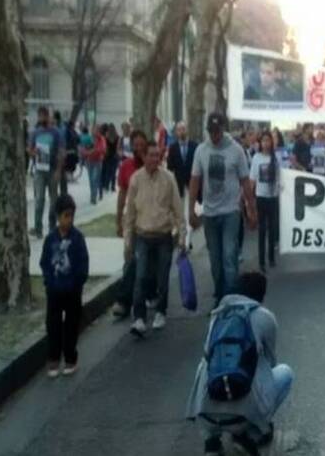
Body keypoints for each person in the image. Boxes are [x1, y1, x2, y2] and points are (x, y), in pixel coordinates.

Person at [186, 272, 294, 455]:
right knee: (285, 372)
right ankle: (251, 433)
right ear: (262, 295)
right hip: (242, 416)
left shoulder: (217, 315)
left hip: (206, 415)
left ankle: (211, 442)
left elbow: (208, 354)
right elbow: (270, 361)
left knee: (204, 364)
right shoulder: (265, 316)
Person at [189, 113, 257, 307]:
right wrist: (191, 210)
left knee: (229, 256)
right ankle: (220, 293)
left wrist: (251, 211)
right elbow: (195, 180)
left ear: (223, 130)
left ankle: (230, 299)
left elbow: (245, 182)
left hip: (230, 212)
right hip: (210, 214)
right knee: (216, 261)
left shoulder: (236, 150)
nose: (214, 135)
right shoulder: (201, 150)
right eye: (211, 131)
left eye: (217, 131)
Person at [123, 141, 186, 337]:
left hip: (163, 236)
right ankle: (139, 318)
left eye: (158, 155)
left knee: (162, 277)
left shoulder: (168, 179)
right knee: (140, 277)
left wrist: (182, 236)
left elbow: (177, 209)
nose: (155, 159)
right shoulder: (136, 180)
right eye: (151, 155)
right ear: (143, 156)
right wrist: (128, 241)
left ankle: (160, 311)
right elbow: (130, 213)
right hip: (142, 235)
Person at [40, 194, 89, 378]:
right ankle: (53, 358)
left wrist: (78, 282)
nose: (68, 220)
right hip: (54, 290)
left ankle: (70, 358)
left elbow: (83, 263)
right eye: (65, 216)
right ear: (58, 216)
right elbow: (45, 262)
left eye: (71, 216)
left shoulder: (77, 238)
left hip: (72, 290)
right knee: (53, 325)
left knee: (71, 325)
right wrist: (48, 282)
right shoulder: (50, 239)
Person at [112, 130, 153, 319]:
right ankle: (124, 301)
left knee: (144, 261)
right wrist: (119, 219)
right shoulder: (126, 166)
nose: (137, 148)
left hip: (150, 221)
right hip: (132, 220)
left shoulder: (152, 165)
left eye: (141, 144)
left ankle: (140, 296)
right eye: (134, 145)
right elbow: (122, 194)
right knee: (130, 259)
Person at [29, 106, 65, 239]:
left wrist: (58, 171)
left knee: (53, 199)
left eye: (44, 116)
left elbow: (61, 152)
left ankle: (51, 226)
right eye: (40, 116)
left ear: (48, 117)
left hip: (52, 170)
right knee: (39, 199)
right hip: (39, 170)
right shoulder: (35, 133)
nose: (42, 118)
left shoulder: (56, 133)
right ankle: (38, 228)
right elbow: (30, 149)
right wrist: (34, 152)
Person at [250, 132, 280, 273]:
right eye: (263, 141)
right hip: (260, 197)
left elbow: (280, 178)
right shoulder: (256, 158)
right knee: (261, 230)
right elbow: (252, 179)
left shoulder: (275, 158)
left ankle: (271, 258)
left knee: (272, 229)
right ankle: (262, 261)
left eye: (268, 140)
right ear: (260, 143)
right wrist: (248, 200)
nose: (266, 143)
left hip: (273, 198)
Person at [167, 122, 198, 199]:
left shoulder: (194, 146)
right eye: (179, 130)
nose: (182, 132)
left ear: (187, 130)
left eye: (183, 129)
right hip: (178, 184)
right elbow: (170, 167)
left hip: (192, 183)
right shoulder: (173, 148)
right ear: (176, 132)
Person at [82, 124, 106, 205]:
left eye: (96, 130)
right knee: (91, 180)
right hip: (89, 161)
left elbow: (103, 149)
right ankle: (93, 194)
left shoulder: (101, 139)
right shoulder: (88, 138)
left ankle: (94, 197)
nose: (94, 131)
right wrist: (87, 152)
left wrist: (94, 151)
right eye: (93, 129)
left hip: (98, 161)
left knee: (95, 179)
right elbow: (83, 149)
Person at [101, 124, 120, 195]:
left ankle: (106, 185)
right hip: (115, 156)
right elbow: (118, 147)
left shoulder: (106, 137)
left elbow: (105, 147)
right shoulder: (117, 137)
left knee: (108, 171)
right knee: (114, 172)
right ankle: (113, 186)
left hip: (108, 156)